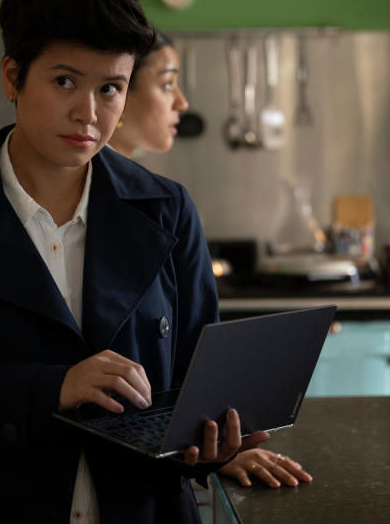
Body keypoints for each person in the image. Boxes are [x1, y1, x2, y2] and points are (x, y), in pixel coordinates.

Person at [0, 0, 270, 524]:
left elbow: (194, 390)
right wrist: (54, 387)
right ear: (12, 77)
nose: (89, 113)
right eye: (64, 82)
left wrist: (216, 445)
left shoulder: (168, 210)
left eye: (111, 88)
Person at [110, 33, 314, 490]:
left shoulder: (170, 206)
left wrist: (213, 445)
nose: (181, 101)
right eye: (166, 84)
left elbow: (192, 355)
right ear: (118, 93)